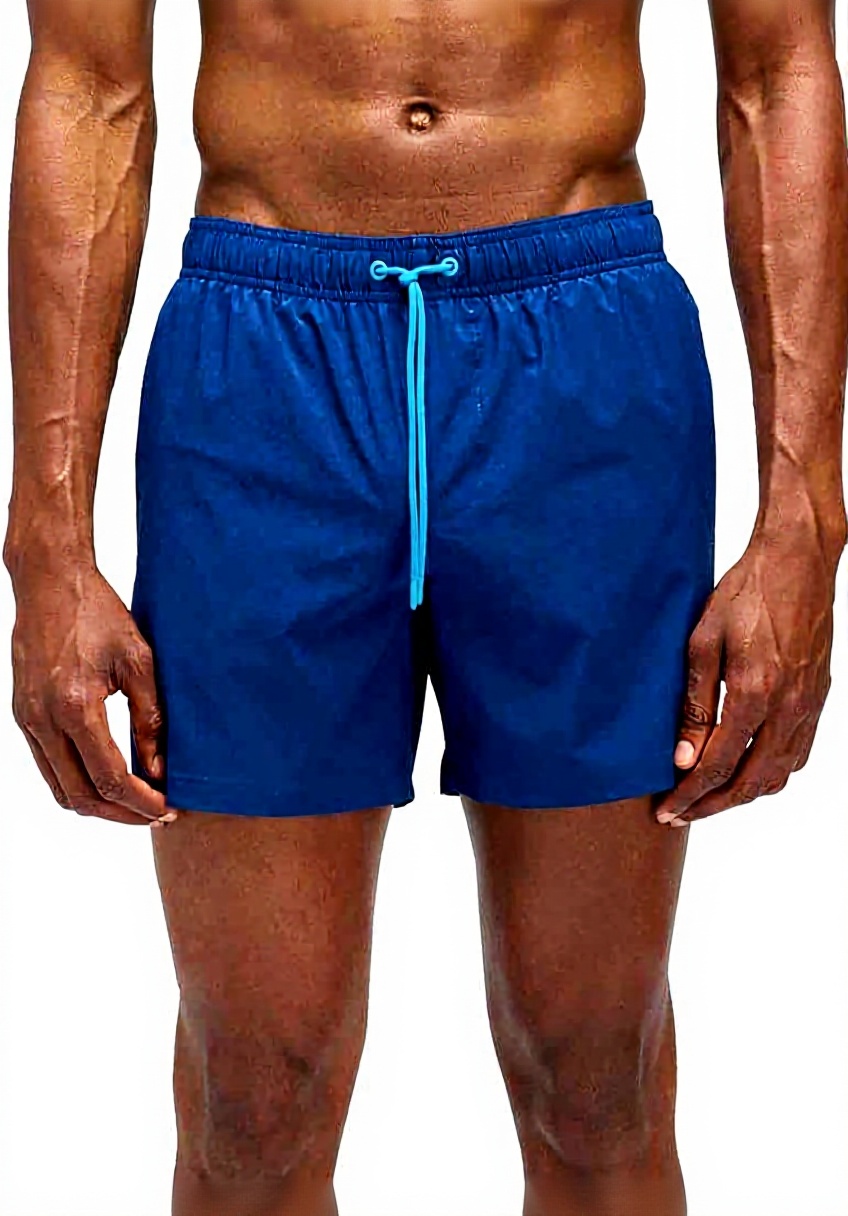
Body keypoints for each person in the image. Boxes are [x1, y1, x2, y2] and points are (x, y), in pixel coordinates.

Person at [5, 2, 847, 1215]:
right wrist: (46, 535)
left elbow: (778, 69)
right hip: (258, 373)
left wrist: (802, 516)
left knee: (592, 1080)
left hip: (580, 357)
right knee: (254, 1099)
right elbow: (87, 88)